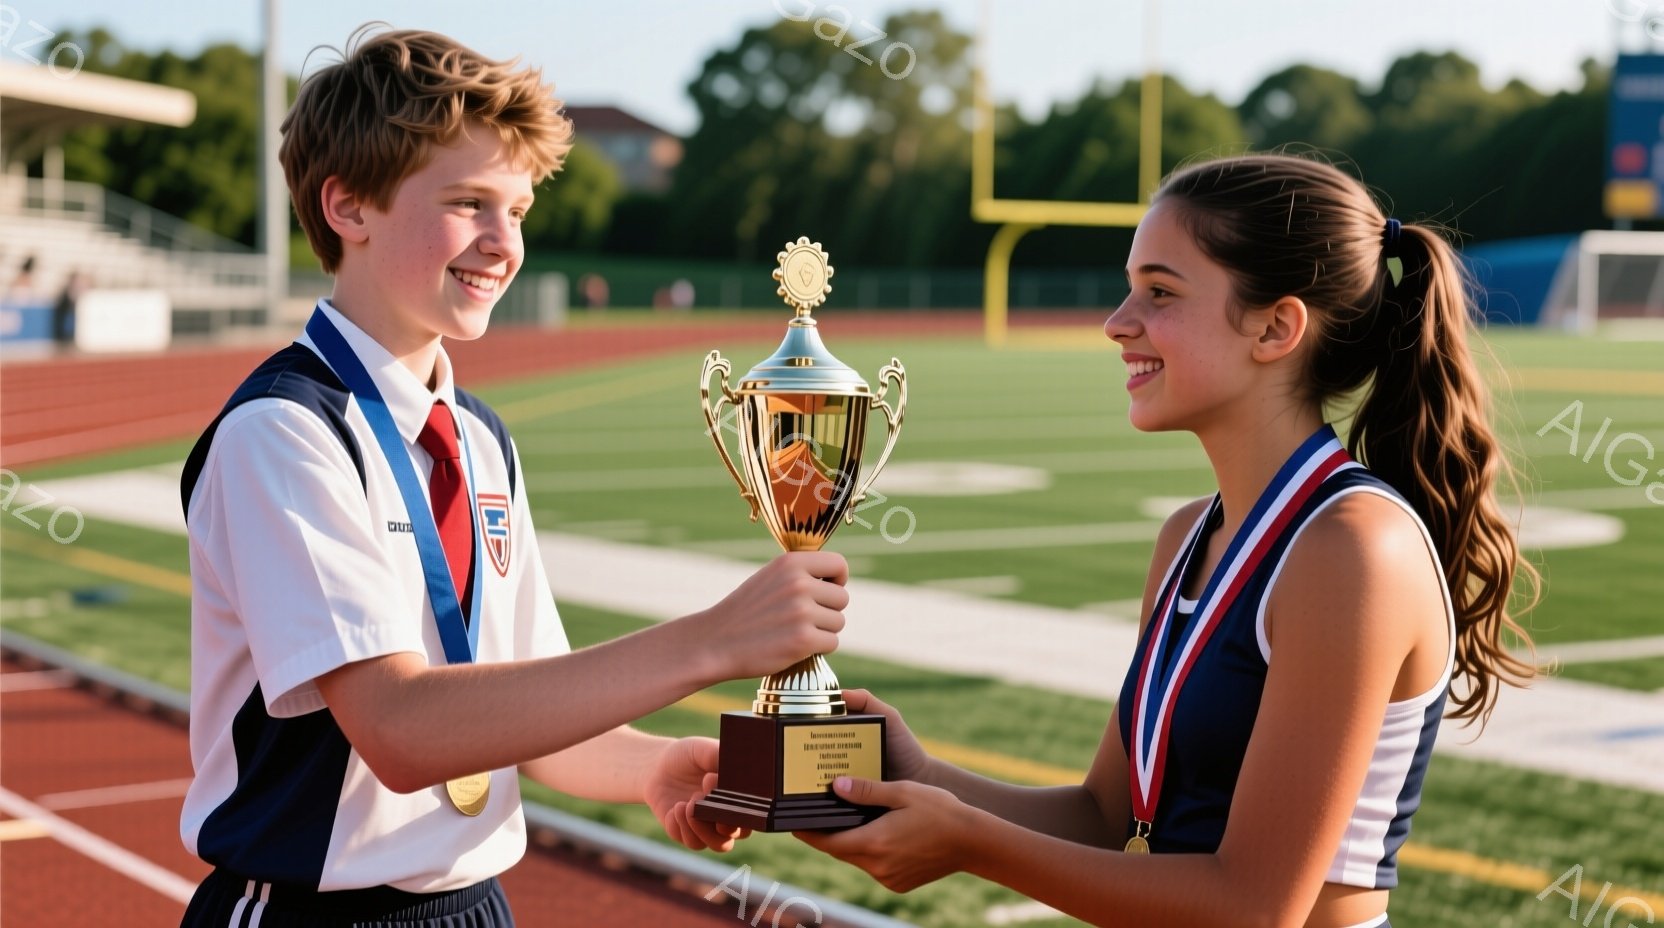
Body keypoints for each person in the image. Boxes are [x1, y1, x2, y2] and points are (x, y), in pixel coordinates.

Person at [177, 26, 848, 926]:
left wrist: (645, 764)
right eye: (468, 204)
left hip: (476, 906)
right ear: (348, 207)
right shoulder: (284, 434)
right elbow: (405, 731)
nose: (502, 243)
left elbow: (525, 703)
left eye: (519, 211)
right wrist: (713, 643)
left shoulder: (480, 439)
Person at [796, 153, 1539, 927]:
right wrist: (924, 777)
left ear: (1276, 327)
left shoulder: (1352, 549)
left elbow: (1254, 907)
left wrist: (967, 843)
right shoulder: (1190, 534)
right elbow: (1105, 818)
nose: (1118, 322)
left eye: (1160, 292)